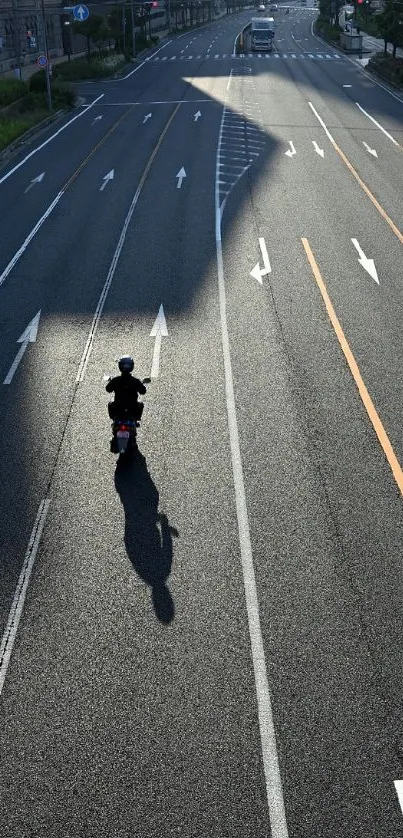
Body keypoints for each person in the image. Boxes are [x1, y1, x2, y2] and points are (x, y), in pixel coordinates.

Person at [106, 356, 147, 451]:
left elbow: (108, 389)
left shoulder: (116, 380)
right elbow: (143, 391)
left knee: (110, 403)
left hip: (118, 410)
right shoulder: (135, 381)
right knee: (140, 404)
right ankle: (136, 420)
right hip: (132, 410)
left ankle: (114, 421)